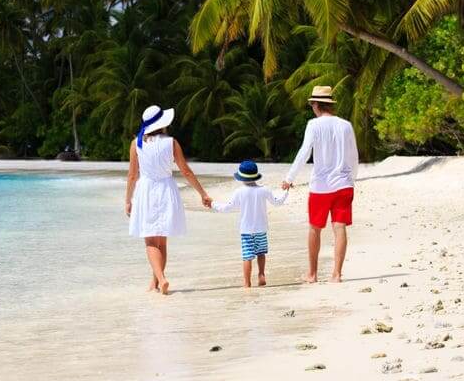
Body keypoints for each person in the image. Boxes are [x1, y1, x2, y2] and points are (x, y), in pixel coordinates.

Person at [126, 105, 212, 294]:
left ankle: (161, 279)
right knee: (161, 241)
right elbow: (186, 171)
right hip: (166, 189)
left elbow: (132, 175)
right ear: (162, 123)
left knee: (150, 241)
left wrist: (128, 200)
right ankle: (155, 283)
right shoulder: (171, 142)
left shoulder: (136, 144)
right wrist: (202, 193)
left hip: (146, 191)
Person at [281, 86, 359, 283]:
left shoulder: (313, 125)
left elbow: (304, 152)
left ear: (316, 105)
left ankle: (313, 274)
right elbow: (353, 156)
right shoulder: (346, 125)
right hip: (343, 185)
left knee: (315, 228)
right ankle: (337, 274)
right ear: (330, 104)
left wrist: (290, 178)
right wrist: (352, 179)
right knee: (339, 227)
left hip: (321, 187)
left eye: (311, 104)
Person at [211, 160, 288, 288]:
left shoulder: (239, 192)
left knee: (247, 257)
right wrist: (286, 191)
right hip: (261, 229)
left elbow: (227, 208)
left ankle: (247, 283)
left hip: (246, 230)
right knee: (261, 253)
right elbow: (277, 202)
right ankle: (261, 274)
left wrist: (212, 204)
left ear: (241, 177)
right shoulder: (264, 190)